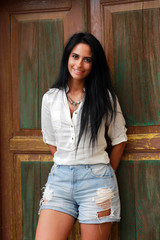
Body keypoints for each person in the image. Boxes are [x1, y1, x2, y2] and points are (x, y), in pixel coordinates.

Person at [35, 32, 127, 240]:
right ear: (67, 57)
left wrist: (104, 172)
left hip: (97, 183)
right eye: (75, 56)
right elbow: (51, 141)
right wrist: (68, 162)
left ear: (94, 64)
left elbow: (120, 139)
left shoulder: (105, 98)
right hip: (59, 181)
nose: (79, 64)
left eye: (87, 59)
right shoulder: (50, 99)